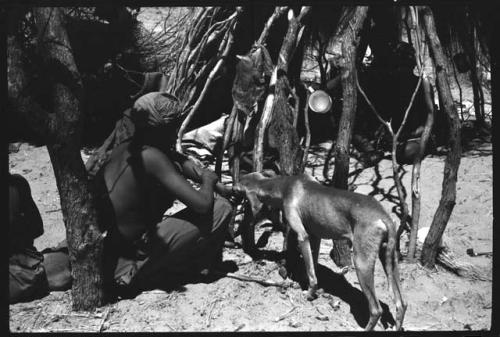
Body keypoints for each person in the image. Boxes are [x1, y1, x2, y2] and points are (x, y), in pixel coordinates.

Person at [95, 92, 234, 299]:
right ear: (162, 127)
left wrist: (205, 176)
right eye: (174, 126)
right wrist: (209, 181)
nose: (177, 130)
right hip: (130, 261)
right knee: (221, 208)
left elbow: (178, 159)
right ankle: (194, 267)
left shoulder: (126, 148)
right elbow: (202, 205)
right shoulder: (152, 157)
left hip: (110, 252)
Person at [9, 173, 48, 304]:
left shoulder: (16, 183)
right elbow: (37, 228)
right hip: (25, 262)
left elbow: (37, 227)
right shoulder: (17, 183)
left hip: (21, 262)